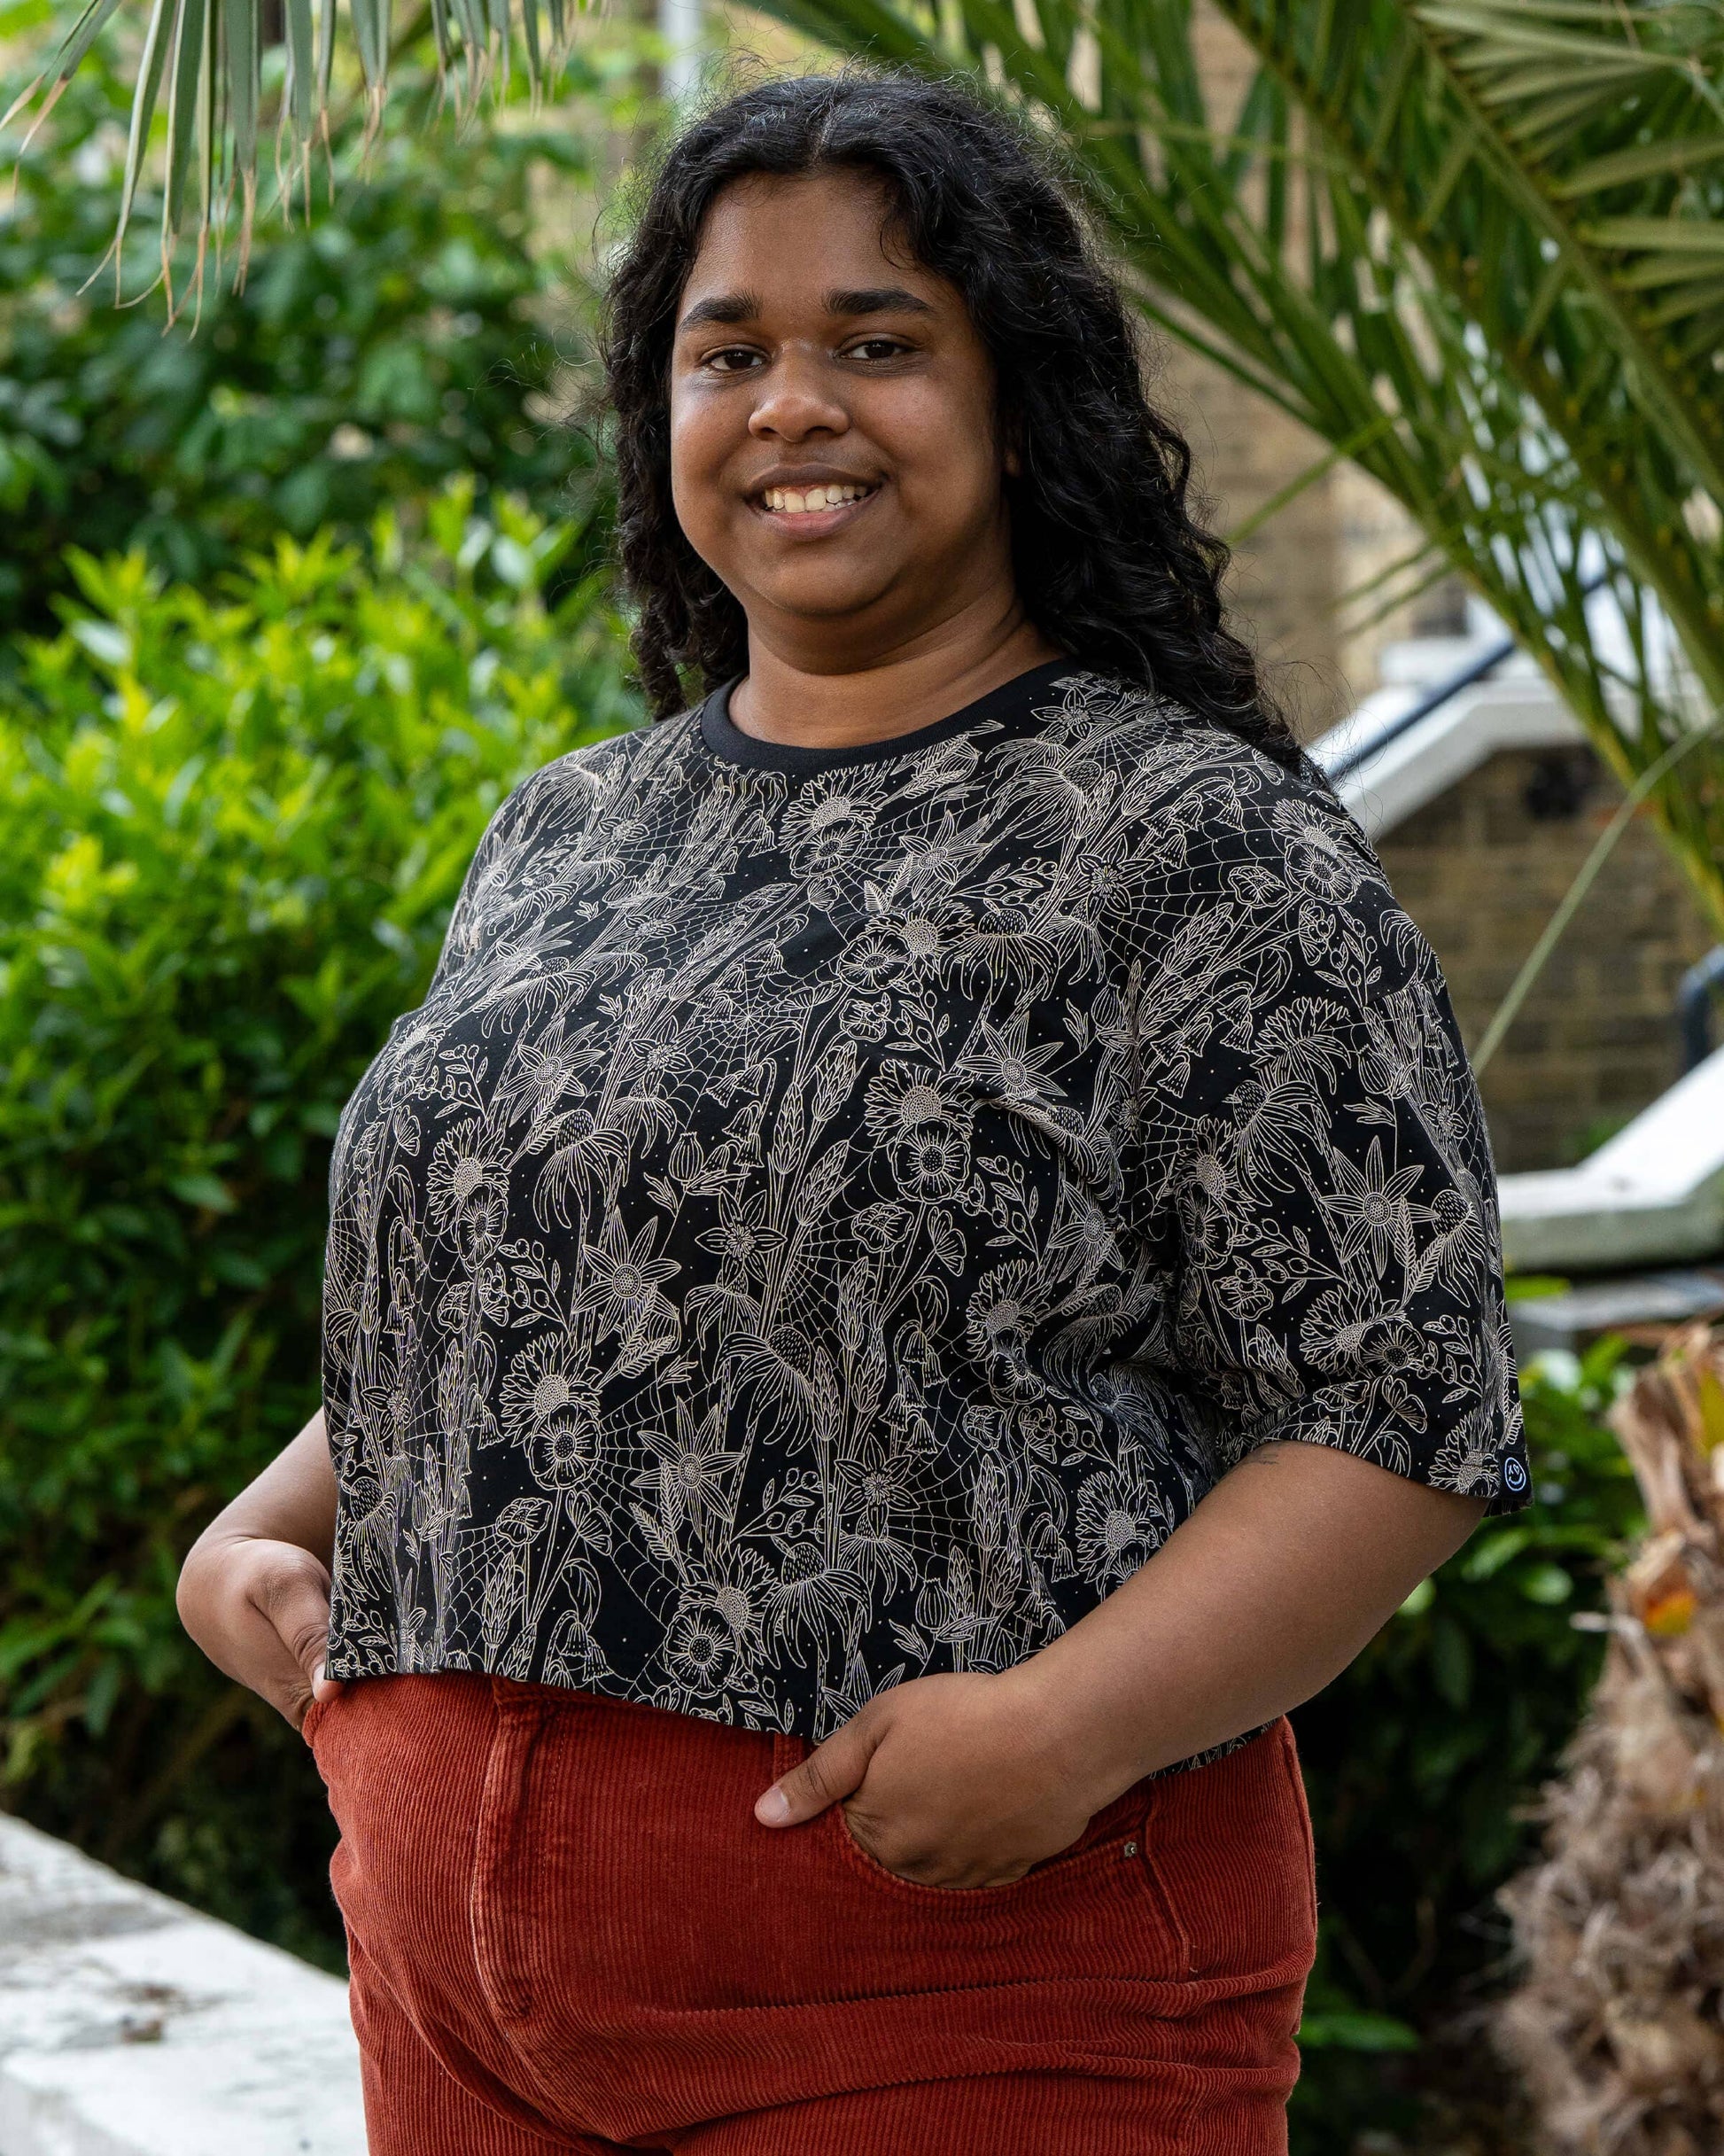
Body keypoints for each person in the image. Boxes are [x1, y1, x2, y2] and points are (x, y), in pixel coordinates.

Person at [177, 69, 1529, 2156]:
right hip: (451, 1995)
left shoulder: (1192, 845)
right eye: (727, 354)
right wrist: (274, 1527)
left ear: (1017, 404)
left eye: (876, 344)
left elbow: (1398, 1397)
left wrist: (1063, 1729)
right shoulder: (570, 829)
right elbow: (577, 1282)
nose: (791, 404)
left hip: (955, 1975)